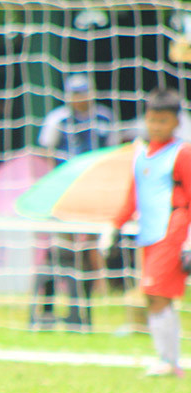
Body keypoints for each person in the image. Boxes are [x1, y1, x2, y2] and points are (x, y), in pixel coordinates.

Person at [109, 88, 191, 377]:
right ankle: (168, 360)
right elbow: (134, 196)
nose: (156, 126)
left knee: (155, 291)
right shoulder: (140, 153)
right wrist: (113, 227)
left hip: (174, 231)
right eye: (152, 120)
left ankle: (169, 361)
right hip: (149, 233)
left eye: (163, 121)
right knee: (155, 295)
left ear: (176, 123)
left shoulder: (182, 153)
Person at [32, 74, 117, 331]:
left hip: (94, 189)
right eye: (75, 93)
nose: (80, 99)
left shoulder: (104, 117)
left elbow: (111, 152)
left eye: (83, 93)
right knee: (62, 247)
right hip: (65, 190)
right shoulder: (57, 119)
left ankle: (82, 309)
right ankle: (49, 308)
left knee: (89, 247)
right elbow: (45, 153)